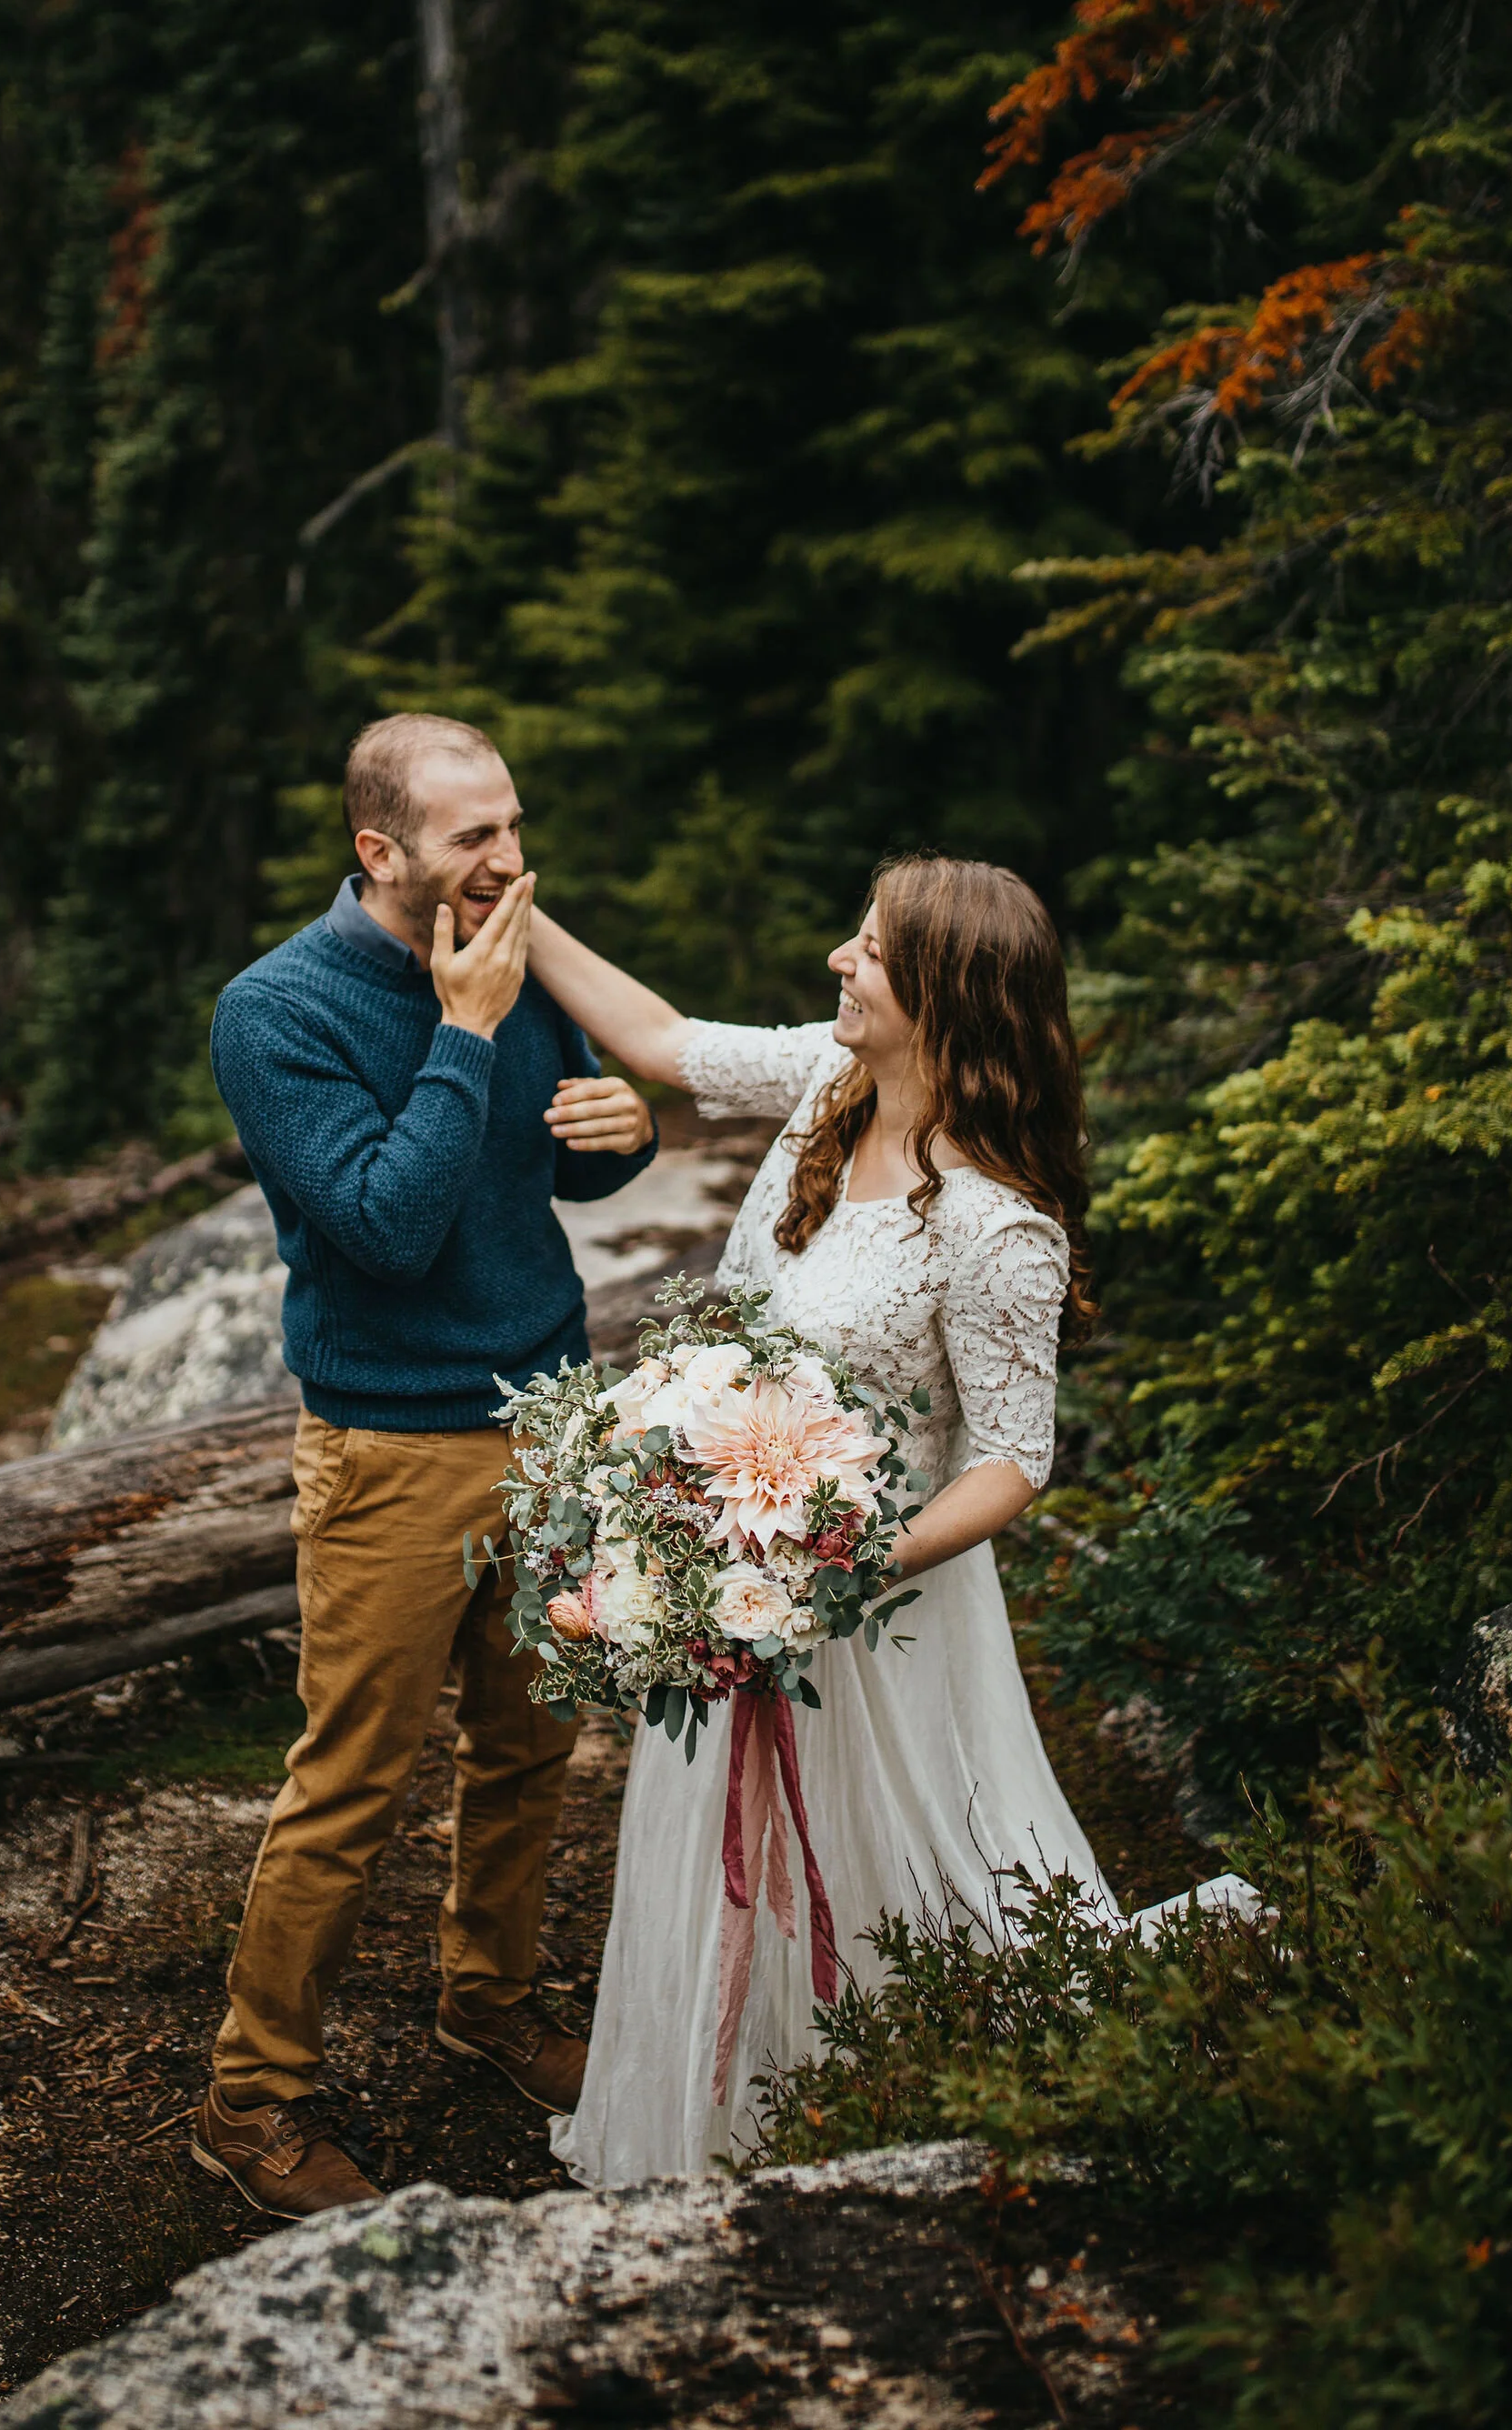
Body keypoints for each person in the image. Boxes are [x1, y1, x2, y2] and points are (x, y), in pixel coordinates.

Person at [525, 852, 1115, 2184]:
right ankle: (727, 2121)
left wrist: (833, 1570)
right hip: (734, 1582)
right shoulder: (825, 1083)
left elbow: (1016, 1459)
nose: (839, 963)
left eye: (869, 952)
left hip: (880, 1612)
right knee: (721, 1856)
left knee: (900, 1858)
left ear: (946, 995)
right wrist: (511, 911)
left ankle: (900, 2120)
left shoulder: (995, 1224)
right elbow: (661, 1040)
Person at [191, 713, 657, 2217]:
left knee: (532, 1752)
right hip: (392, 1444)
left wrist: (621, 1131)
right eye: (475, 837)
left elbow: (550, 1158)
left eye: (515, 822)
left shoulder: (506, 944)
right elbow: (385, 1229)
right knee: (352, 1785)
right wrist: (464, 1029)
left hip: (548, 1415)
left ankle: (489, 2003)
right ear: (378, 851)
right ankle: (251, 2100)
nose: (511, 860)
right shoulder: (275, 1013)